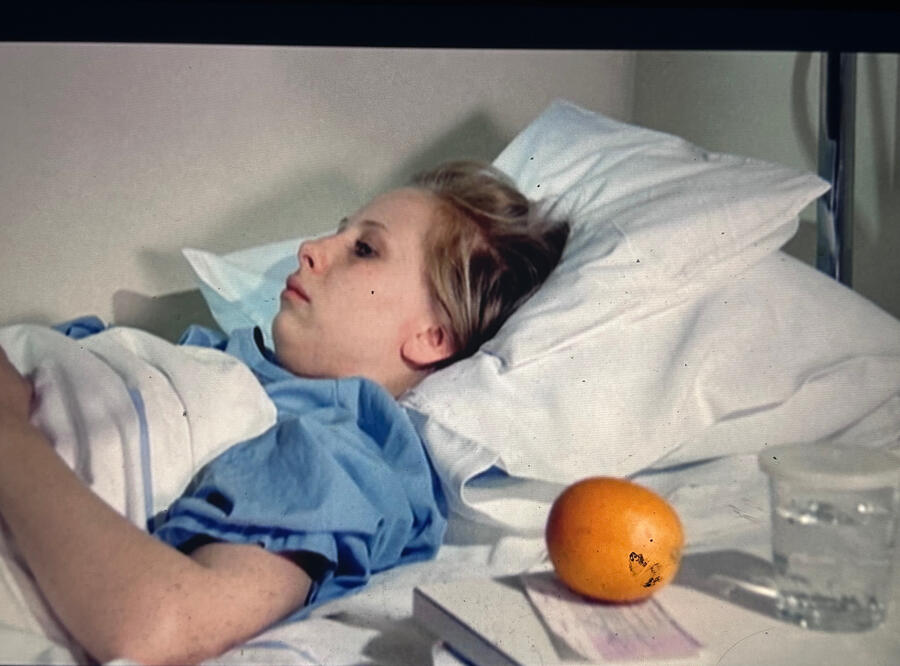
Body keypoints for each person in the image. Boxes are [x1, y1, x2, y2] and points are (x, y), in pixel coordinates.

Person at [0, 160, 569, 664]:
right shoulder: (219, 362)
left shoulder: (342, 446)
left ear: (432, 335)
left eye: (365, 249)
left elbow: (166, 626)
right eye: (341, 230)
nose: (310, 248)